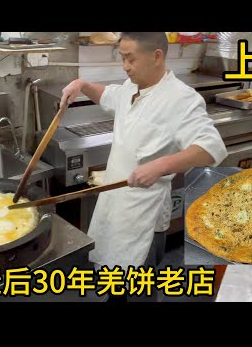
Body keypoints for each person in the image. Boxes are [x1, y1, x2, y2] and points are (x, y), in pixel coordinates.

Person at [59, 32, 228, 296]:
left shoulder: (182, 100)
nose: (125, 66)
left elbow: (211, 147)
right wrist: (81, 84)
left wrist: (161, 166)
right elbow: (107, 95)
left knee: (140, 289)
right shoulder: (131, 87)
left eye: (130, 59)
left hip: (143, 218)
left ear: (157, 56)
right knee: (112, 282)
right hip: (113, 208)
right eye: (122, 58)